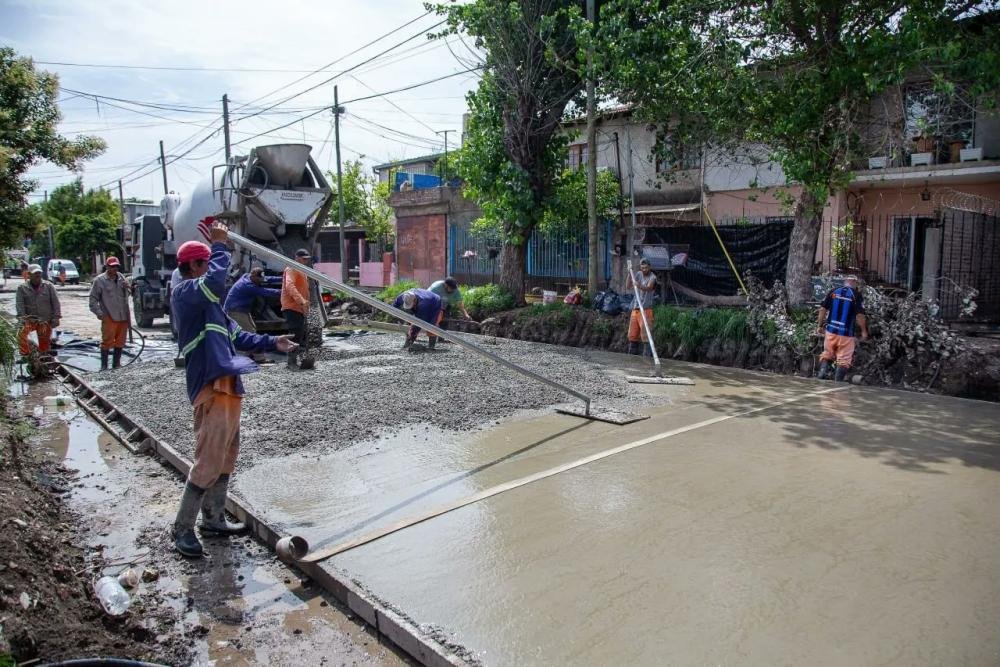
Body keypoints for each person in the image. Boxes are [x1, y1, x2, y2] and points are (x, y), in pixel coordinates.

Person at [170, 223, 297, 558]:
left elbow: (239, 337)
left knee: (226, 457)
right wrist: (222, 245)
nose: (217, 272)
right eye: (209, 262)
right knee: (208, 458)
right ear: (196, 267)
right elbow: (213, 283)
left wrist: (273, 341)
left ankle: (212, 518)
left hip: (229, 386)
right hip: (209, 385)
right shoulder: (187, 295)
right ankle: (182, 528)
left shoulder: (213, 306)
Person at [817, 275, 869, 381]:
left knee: (827, 354)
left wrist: (819, 326)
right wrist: (864, 332)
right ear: (854, 283)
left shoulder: (833, 291)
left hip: (830, 332)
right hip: (846, 334)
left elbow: (822, 309)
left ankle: (822, 374)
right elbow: (860, 316)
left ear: (845, 282)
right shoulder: (856, 295)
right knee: (844, 360)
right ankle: (838, 383)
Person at [88, 257, 131, 370]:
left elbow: (127, 295)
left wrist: (128, 288)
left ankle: (116, 364)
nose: (114, 269)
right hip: (109, 316)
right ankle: (104, 366)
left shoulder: (122, 278)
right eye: (112, 266)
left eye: (116, 266)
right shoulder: (99, 280)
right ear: (107, 267)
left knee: (120, 341)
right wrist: (100, 314)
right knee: (107, 341)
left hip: (123, 316)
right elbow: (92, 300)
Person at [15, 264, 60, 358]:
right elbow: (20, 305)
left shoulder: (49, 286)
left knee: (44, 344)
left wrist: (56, 317)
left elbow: (56, 303)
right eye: (35, 274)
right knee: (21, 335)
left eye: (39, 273)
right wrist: (22, 320)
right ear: (29, 275)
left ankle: (43, 357)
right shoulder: (22, 288)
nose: (37, 276)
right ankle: (25, 355)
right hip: (30, 320)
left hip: (45, 320)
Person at [224, 267, 281, 334]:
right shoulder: (248, 286)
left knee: (253, 329)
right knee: (249, 332)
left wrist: (282, 278)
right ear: (254, 276)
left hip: (243, 309)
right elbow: (267, 292)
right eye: (259, 279)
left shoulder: (247, 275)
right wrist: (283, 292)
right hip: (235, 311)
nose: (261, 280)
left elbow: (267, 279)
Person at [280, 249, 312, 369]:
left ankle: (304, 360)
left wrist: (305, 304)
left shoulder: (302, 270)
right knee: (295, 334)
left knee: (302, 334)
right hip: (291, 306)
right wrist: (301, 301)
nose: (306, 261)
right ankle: (291, 362)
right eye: (304, 259)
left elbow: (304, 289)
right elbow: (290, 286)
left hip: (299, 307)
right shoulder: (292, 269)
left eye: (307, 259)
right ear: (297, 258)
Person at [625, 258, 658, 355]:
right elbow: (628, 286)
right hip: (636, 310)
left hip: (646, 310)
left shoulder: (653, 277)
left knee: (646, 337)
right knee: (632, 336)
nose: (644, 270)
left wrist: (638, 285)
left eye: (646, 268)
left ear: (650, 267)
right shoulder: (638, 274)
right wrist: (629, 273)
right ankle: (632, 360)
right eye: (642, 267)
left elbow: (648, 288)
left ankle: (646, 361)